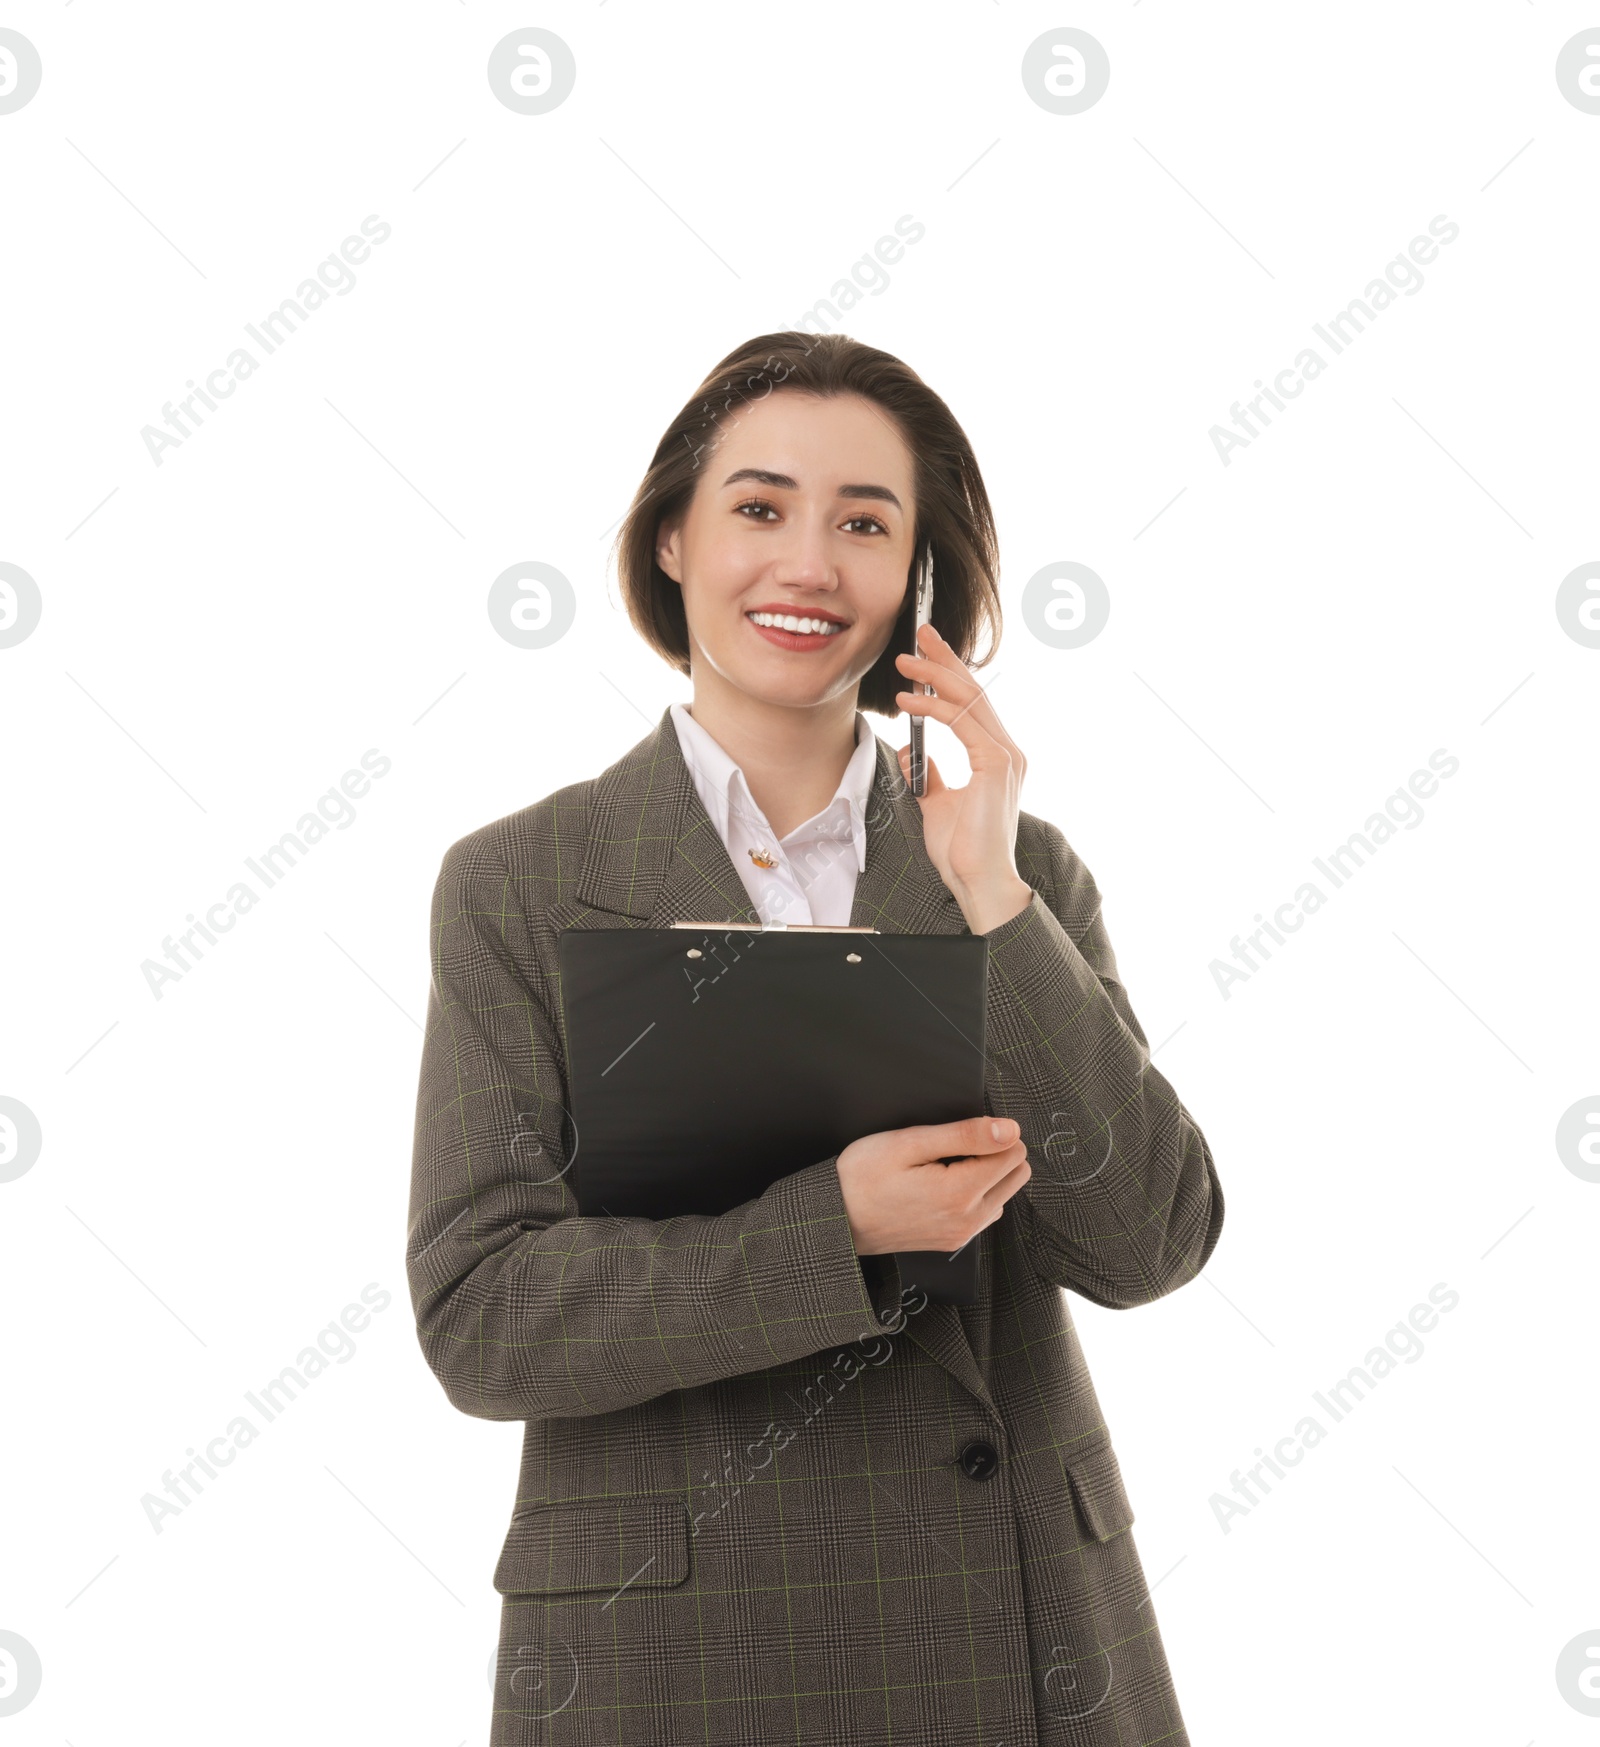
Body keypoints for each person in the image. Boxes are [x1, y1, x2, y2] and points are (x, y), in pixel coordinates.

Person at [406, 331, 1224, 1747]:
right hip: (666, 1639)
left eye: (864, 523)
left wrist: (992, 894)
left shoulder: (1021, 875)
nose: (808, 565)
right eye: (759, 508)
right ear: (673, 538)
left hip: (1008, 1623)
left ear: (916, 573)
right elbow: (484, 1322)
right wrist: (829, 1230)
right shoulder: (520, 884)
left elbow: (1147, 1245)